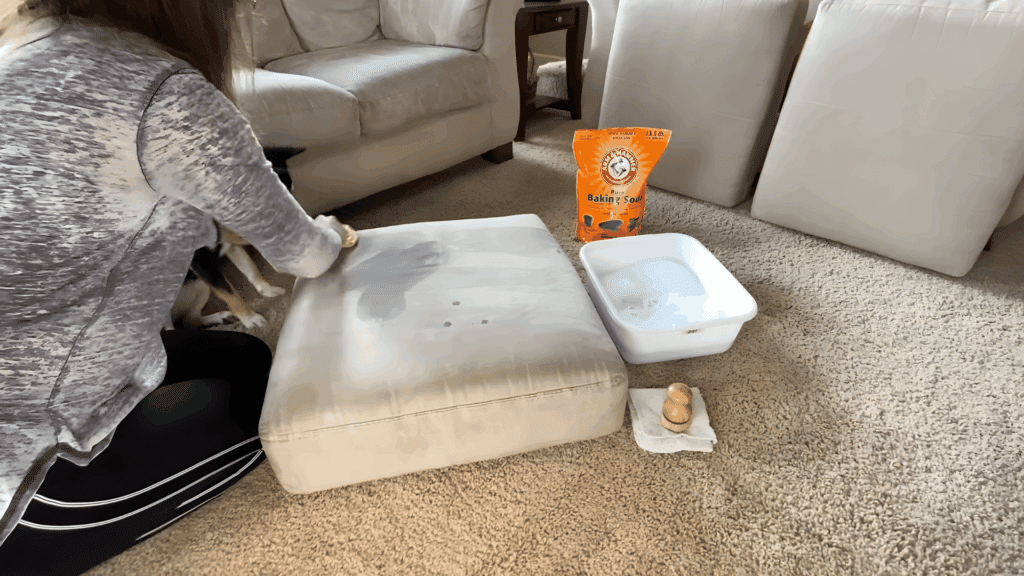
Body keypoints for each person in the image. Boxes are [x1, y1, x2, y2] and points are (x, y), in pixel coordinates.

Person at [0, 0, 356, 572]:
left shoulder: (15, 51)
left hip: (52, 370)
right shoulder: (165, 95)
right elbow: (304, 255)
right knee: (271, 423)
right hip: (26, 475)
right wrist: (332, 232)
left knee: (244, 358)